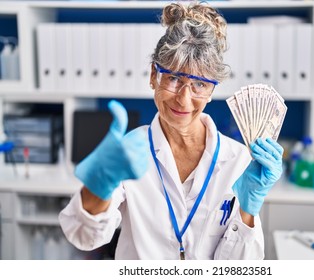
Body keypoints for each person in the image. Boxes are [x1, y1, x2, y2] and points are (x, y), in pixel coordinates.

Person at [59, 1, 284, 260]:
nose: (184, 99)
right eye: (174, 78)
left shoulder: (239, 161)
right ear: (154, 75)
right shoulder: (130, 153)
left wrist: (246, 210)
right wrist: (100, 184)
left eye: (199, 84)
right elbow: (85, 237)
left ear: (212, 90)